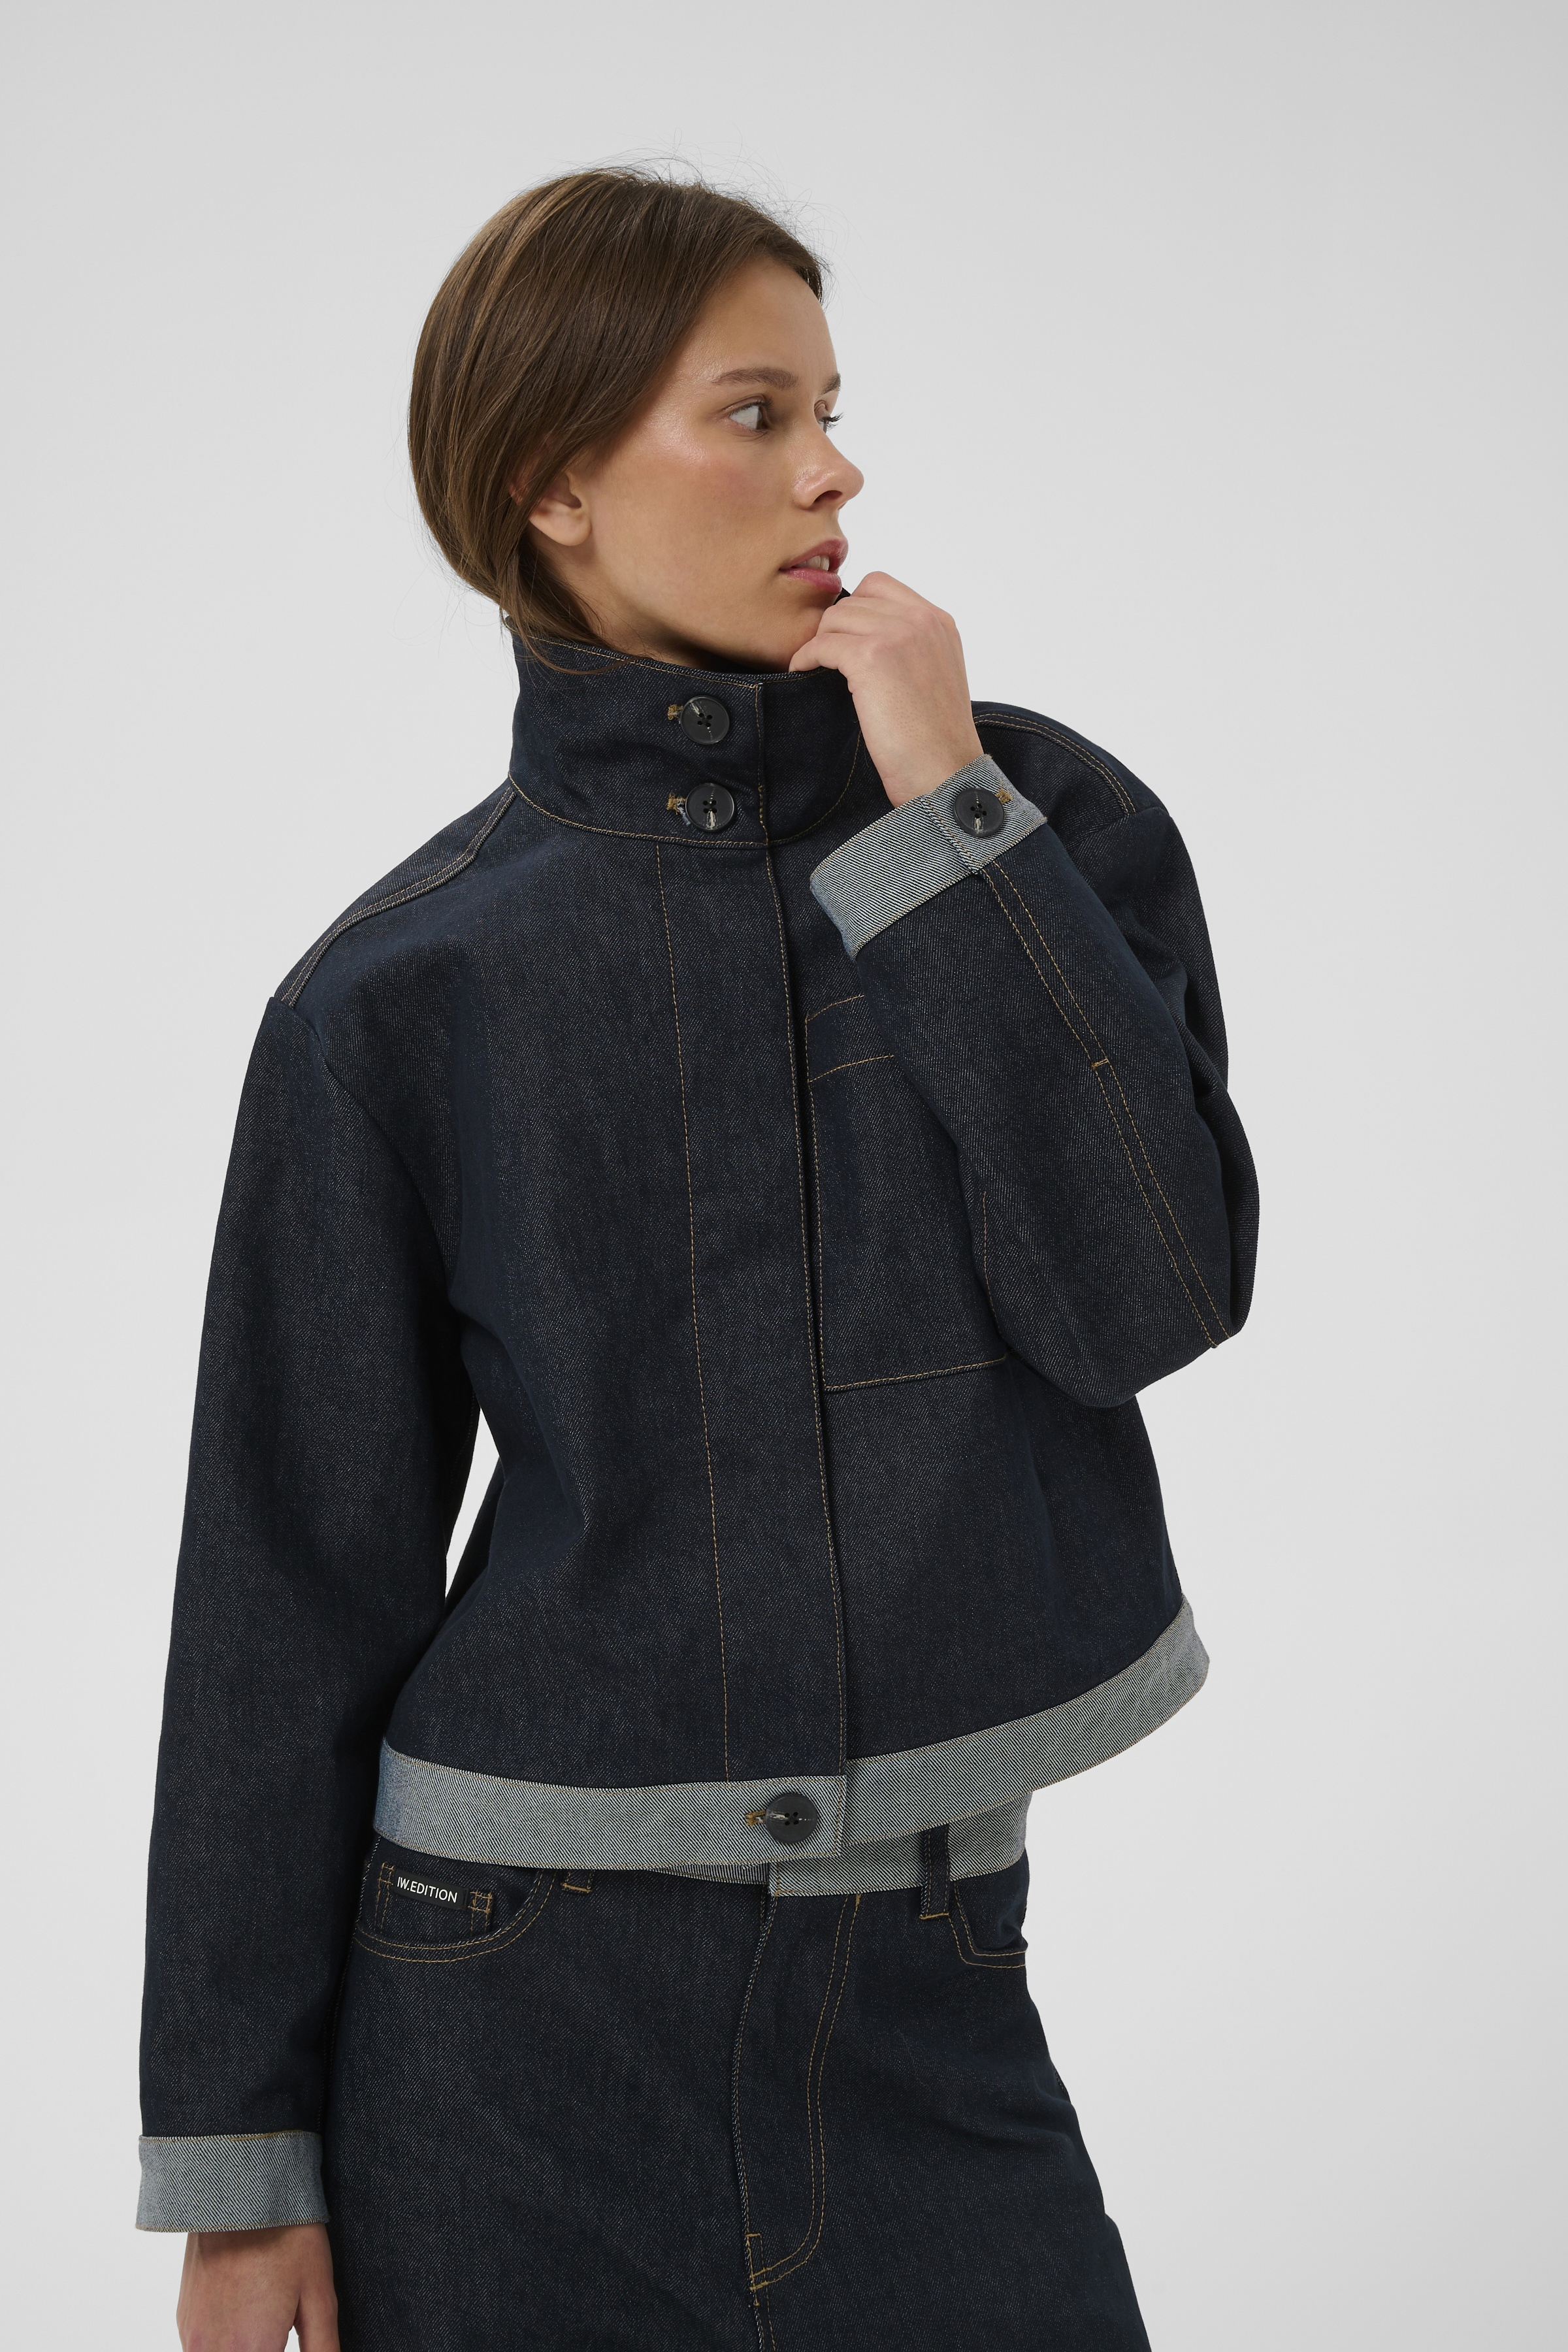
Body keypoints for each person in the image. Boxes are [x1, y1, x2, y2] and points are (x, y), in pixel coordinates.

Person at [140, 167, 1258, 2351]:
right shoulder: (395, 996)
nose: (835, 472)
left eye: (834, 410)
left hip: (933, 1991)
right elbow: (286, 1582)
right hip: (501, 2016)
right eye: (758, 413)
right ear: (552, 482)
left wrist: (939, 810)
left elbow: (1149, 1290)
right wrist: (240, 2161)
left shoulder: (1032, 834)